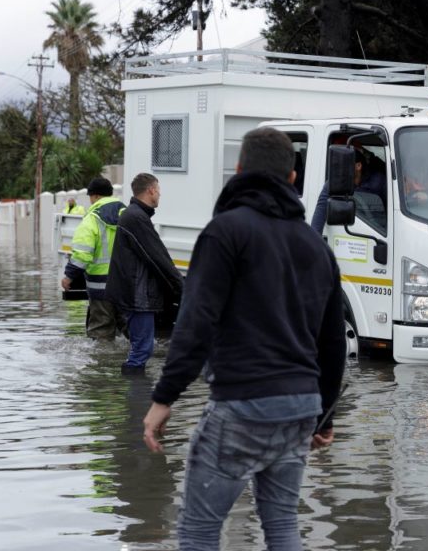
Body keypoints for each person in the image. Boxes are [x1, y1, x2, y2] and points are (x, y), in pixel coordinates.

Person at [141, 126, 346, 551]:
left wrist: (164, 398)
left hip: (243, 404)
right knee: (284, 525)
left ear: (238, 171)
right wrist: (323, 414)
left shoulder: (226, 232)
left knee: (198, 530)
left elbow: (195, 322)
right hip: (299, 407)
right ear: (292, 180)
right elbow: (334, 344)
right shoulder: (317, 246)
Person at [106, 173, 183, 375]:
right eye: (158, 190)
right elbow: (158, 258)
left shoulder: (135, 215)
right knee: (142, 350)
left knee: (141, 348)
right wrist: (182, 288)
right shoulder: (136, 218)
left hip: (136, 294)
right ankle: (136, 399)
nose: (159, 195)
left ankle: (135, 397)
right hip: (138, 296)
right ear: (150, 190)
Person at [60, 177, 125, 339]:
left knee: (101, 333)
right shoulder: (129, 213)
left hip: (100, 288)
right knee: (129, 330)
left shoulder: (91, 219)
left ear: (94, 196)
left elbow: (82, 255)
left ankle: (101, 364)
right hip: (126, 285)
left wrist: (69, 277)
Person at [310, 146, 386, 234]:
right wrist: (313, 242)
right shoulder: (334, 182)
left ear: (358, 166)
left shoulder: (378, 181)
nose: (340, 169)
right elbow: (321, 210)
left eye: (345, 165)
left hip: (377, 232)